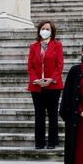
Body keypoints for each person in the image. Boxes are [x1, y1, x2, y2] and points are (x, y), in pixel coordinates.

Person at [27, 21, 64, 149]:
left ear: (52, 31)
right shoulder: (33, 46)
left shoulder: (57, 45)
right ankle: (39, 142)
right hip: (37, 86)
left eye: (47, 29)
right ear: (39, 30)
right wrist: (36, 80)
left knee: (53, 114)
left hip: (53, 86)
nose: (45, 30)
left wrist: (51, 80)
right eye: (43, 28)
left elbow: (59, 66)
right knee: (39, 114)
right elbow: (30, 67)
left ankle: (52, 142)